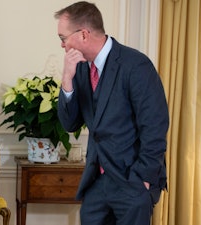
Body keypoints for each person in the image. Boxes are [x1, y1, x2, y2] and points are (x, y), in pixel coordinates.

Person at [54, 2, 169, 225]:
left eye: (63, 37)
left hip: (132, 181)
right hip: (97, 183)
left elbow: (155, 125)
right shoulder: (79, 68)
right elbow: (70, 124)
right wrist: (67, 79)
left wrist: (143, 179)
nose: (62, 45)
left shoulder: (136, 65)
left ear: (84, 34)